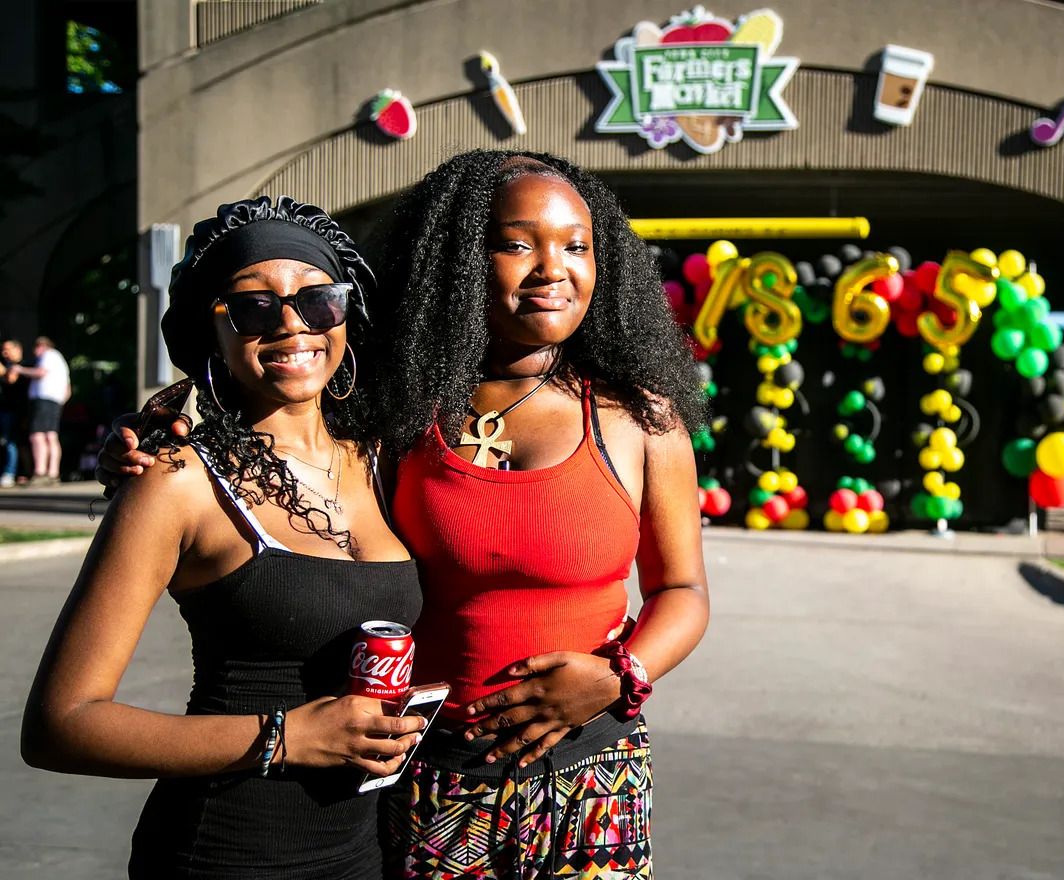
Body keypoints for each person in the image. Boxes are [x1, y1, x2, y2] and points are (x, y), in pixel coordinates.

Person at [99, 152, 710, 879]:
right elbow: (280, 397)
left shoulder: (642, 418)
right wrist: (149, 430)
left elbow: (684, 590)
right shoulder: (389, 412)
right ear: (458, 262)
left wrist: (621, 675)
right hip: (429, 777)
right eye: (518, 243)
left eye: (577, 245)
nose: (554, 268)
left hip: (595, 772)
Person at [23, 197, 427, 879]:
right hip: (225, 852)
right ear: (212, 335)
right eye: (253, 308)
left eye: (319, 300)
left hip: (362, 854)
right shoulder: (177, 481)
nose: (294, 323)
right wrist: (284, 737)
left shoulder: (387, 459)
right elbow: (61, 725)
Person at [8, 335, 69, 486]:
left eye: (35, 348)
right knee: (51, 436)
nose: (35, 352)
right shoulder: (61, 361)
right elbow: (68, 390)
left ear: (41, 346)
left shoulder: (48, 355)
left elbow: (41, 372)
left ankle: (40, 472)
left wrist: (19, 369)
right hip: (55, 401)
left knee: (37, 436)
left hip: (43, 400)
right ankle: (53, 473)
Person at [0, 339, 27, 487]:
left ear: (18, 349)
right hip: (6, 409)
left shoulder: (24, 365)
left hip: (15, 411)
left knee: (11, 442)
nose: (4, 353)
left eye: (7, 349)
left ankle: (11, 472)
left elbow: (10, 379)